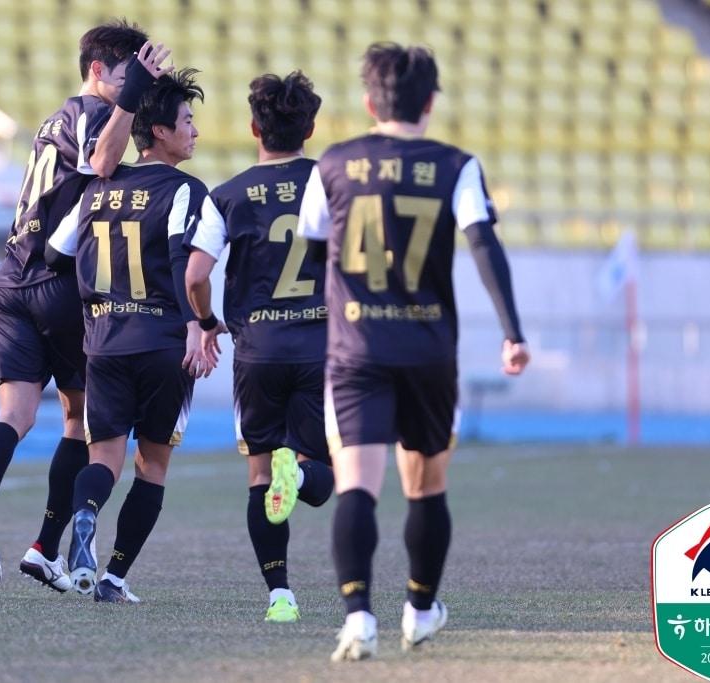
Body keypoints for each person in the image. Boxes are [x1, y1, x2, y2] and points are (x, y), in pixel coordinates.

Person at [296, 43, 530, 661]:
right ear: (430, 103)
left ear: (370, 102)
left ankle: (357, 618)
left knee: (356, 488)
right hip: (427, 350)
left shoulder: (333, 165)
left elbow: (314, 251)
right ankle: (421, 610)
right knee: (426, 488)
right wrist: (513, 331)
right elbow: (483, 246)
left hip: (356, 351)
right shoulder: (456, 165)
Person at [0, 20, 173, 593]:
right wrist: (132, 103)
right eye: (129, 74)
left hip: (9, 278)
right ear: (98, 71)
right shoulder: (94, 114)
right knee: (79, 421)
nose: (138, 84)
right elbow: (102, 164)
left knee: (15, 415)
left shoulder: (53, 117)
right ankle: (45, 547)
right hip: (55, 280)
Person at [48, 69, 208, 603]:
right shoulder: (186, 189)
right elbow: (186, 260)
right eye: (187, 121)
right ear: (159, 131)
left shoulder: (98, 187)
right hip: (163, 342)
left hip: (106, 343)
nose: (195, 133)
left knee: (103, 460)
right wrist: (197, 325)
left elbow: (55, 253)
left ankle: (86, 516)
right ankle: (114, 576)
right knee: (153, 465)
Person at [183, 72, 334, 623]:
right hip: (322, 348)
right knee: (331, 470)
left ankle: (280, 597)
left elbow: (196, 274)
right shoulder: (333, 185)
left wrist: (207, 320)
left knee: (260, 474)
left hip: (257, 351)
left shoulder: (228, 194)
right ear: (310, 128)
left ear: (253, 128)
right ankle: (305, 475)